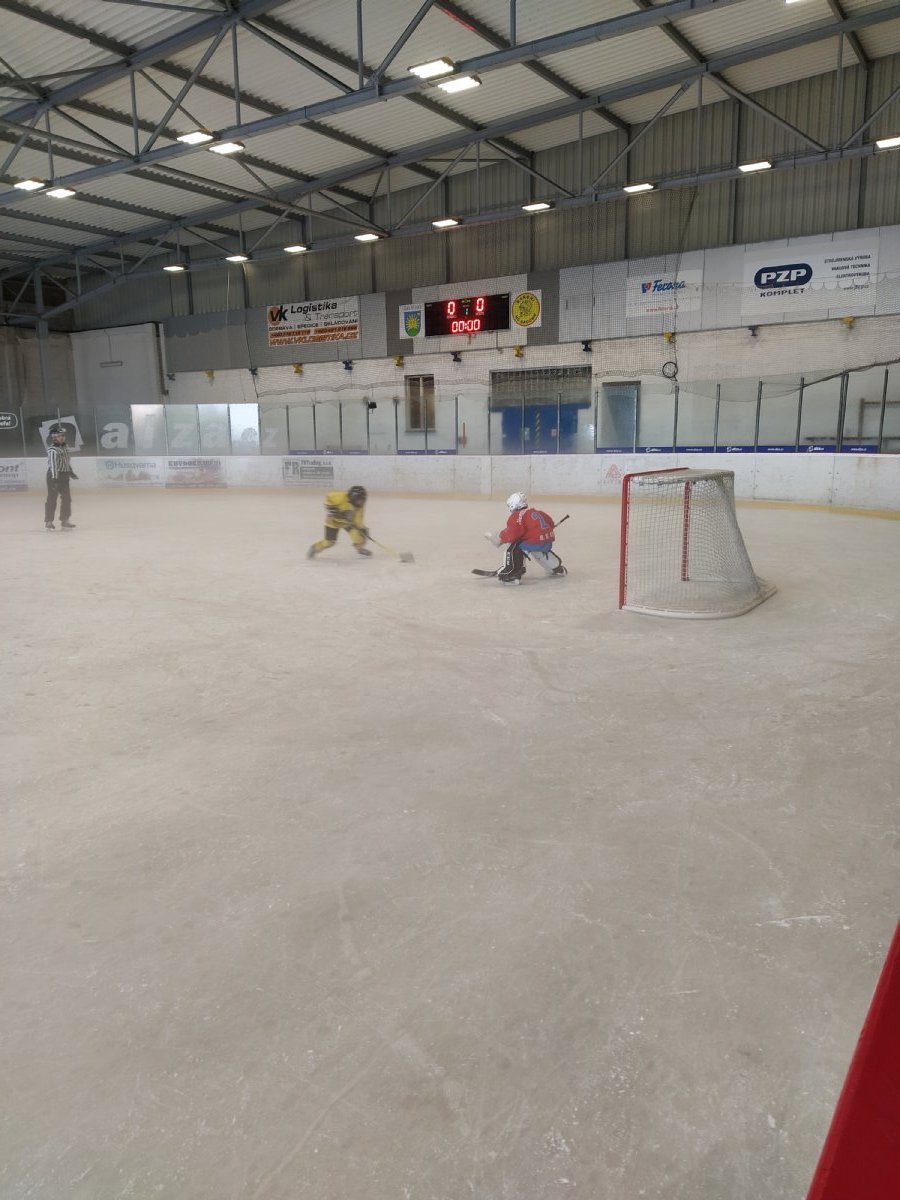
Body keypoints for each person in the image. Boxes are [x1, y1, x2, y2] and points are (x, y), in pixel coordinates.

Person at [485, 492, 567, 584]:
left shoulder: (517, 515)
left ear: (513, 505)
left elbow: (512, 534)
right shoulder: (537, 512)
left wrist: (500, 537)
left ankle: (512, 574)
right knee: (538, 550)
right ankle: (556, 568)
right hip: (547, 542)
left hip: (534, 542)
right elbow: (550, 523)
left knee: (515, 547)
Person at [307, 485, 371, 558]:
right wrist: (331, 508)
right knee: (329, 542)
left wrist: (362, 529)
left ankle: (360, 549)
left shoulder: (360, 507)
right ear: (353, 497)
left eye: (363, 500)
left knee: (359, 536)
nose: (361, 502)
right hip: (333, 522)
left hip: (348, 523)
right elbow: (329, 497)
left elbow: (358, 520)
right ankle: (315, 548)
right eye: (359, 500)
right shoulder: (340, 497)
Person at [45, 424, 78, 531]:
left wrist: (71, 472)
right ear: (54, 437)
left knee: (67, 499)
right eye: (59, 436)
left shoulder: (66, 447)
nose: (62, 437)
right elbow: (53, 465)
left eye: (63, 435)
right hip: (54, 476)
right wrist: (55, 479)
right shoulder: (52, 450)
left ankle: (65, 520)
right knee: (52, 499)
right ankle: (49, 522)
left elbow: (66, 461)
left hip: (64, 476)